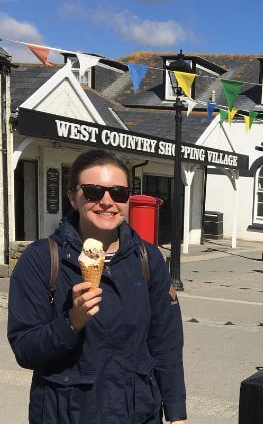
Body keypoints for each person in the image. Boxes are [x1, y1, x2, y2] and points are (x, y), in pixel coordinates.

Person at [7, 150, 187, 423]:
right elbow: (25, 349)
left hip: (136, 414)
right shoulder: (43, 259)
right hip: (66, 414)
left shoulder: (148, 259)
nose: (107, 202)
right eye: (93, 191)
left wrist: (176, 413)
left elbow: (166, 345)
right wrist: (70, 324)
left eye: (118, 192)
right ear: (72, 197)